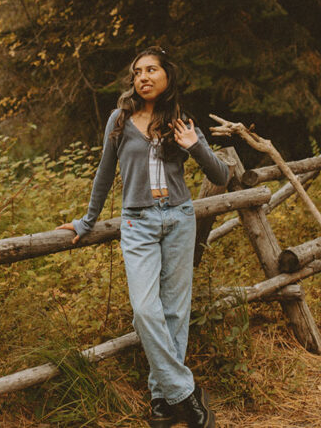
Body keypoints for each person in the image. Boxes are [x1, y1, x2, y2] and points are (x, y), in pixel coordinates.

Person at [58, 46, 229, 428]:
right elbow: (104, 174)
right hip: (137, 223)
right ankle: (185, 392)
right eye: (138, 72)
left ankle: (161, 400)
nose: (143, 77)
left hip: (180, 219)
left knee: (174, 312)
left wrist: (195, 146)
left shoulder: (182, 122)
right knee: (145, 310)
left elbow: (221, 176)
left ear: (168, 75)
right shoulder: (119, 120)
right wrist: (87, 221)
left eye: (152, 70)